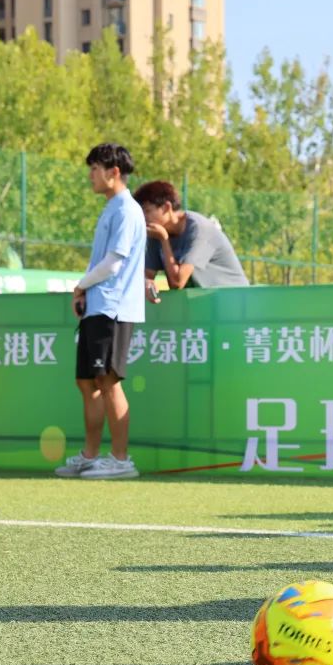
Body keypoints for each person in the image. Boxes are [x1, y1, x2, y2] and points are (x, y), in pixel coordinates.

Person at [55, 143, 147, 480]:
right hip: (99, 305)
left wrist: (81, 285)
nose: (91, 175)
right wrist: (85, 293)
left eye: (96, 168)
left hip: (114, 308)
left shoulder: (126, 208)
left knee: (108, 381)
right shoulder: (111, 207)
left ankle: (121, 460)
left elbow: (113, 263)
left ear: (114, 172)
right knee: (87, 382)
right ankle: (91, 456)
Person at [133, 180, 248, 290]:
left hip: (234, 299)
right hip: (203, 302)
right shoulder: (157, 232)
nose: (143, 217)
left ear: (166, 208)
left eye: (147, 211)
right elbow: (147, 275)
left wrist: (164, 240)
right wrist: (147, 284)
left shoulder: (198, 229)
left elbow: (177, 282)